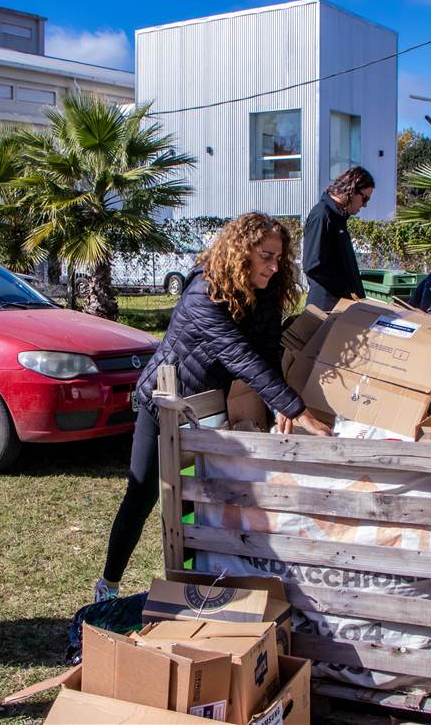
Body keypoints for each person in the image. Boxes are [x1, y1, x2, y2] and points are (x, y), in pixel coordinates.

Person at [94, 212, 332, 602]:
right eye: (267, 256)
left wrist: (282, 410)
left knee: (204, 496)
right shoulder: (203, 293)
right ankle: (109, 584)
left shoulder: (266, 290)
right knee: (143, 497)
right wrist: (296, 407)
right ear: (242, 253)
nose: (274, 267)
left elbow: (268, 353)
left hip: (210, 405)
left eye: (279, 258)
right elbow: (238, 355)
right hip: (164, 400)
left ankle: (201, 583)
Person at [301, 166, 374, 311]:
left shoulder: (337, 218)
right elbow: (312, 265)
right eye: (364, 198)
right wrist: (346, 291)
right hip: (326, 308)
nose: (365, 204)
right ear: (351, 190)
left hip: (340, 306)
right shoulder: (322, 215)